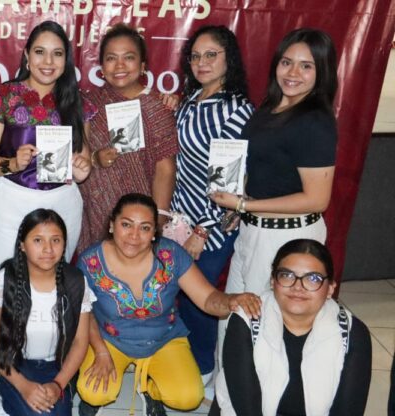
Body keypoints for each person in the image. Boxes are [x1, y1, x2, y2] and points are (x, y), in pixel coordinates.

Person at [76, 193, 261, 416]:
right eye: (126, 225)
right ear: (112, 225)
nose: (134, 235)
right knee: (94, 393)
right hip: (111, 340)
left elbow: (207, 298)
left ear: (154, 233)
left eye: (145, 228)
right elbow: (84, 314)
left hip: (164, 338)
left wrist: (231, 300)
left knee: (188, 398)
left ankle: (150, 390)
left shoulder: (171, 255)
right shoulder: (90, 261)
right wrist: (101, 352)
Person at [209, 28, 338, 296]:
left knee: (265, 325)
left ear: (321, 72)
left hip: (287, 238)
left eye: (306, 66)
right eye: (286, 62)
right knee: (235, 319)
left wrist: (245, 205)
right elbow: (260, 167)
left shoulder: (315, 122)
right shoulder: (269, 108)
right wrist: (239, 206)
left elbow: (316, 199)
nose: (292, 73)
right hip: (251, 231)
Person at [0, 20, 95, 273]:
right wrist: (12, 164)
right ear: (27, 56)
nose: (48, 61)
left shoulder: (77, 102)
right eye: (40, 52)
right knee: (6, 279)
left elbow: (84, 160)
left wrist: (82, 169)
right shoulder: (2, 96)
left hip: (63, 202)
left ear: (66, 60)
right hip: (10, 200)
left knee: (55, 279)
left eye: (57, 53)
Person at [170, 25, 255, 384]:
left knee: (198, 295)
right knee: (178, 291)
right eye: (195, 56)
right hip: (179, 214)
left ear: (228, 58)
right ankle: (189, 356)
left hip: (212, 223)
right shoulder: (192, 100)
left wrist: (202, 231)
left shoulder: (235, 110)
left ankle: (204, 367)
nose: (202, 63)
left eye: (211, 55)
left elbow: (226, 186)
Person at [213, 239, 372, 415]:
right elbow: (246, 408)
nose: (298, 287)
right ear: (273, 282)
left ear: (330, 289)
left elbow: (349, 410)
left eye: (313, 278)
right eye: (287, 275)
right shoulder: (246, 320)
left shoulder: (352, 333)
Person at [0, 209, 94, 415]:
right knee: (33, 412)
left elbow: (79, 342)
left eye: (56, 240)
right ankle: (6, 400)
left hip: (56, 364)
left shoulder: (76, 281)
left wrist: (58, 384)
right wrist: (23, 385)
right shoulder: (4, 281)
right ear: (22, 245)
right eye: (38, 240)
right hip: (12, 362)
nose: (48, 249)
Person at [77, 23, 178, 254]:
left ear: (142, 66)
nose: (120, 65)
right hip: (95, 214)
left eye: (129, 57)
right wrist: (95, 158)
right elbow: (79, 155)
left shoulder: (157, 107)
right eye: (111, 58)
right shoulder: (89, 104)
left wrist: (158, 219)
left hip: (139, 220)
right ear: (101, 66)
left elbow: (166, 169)